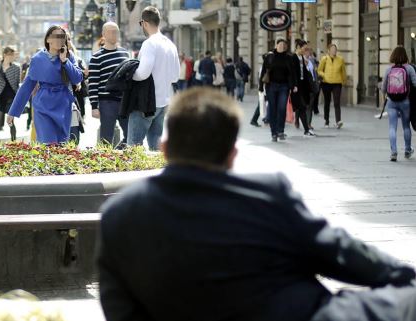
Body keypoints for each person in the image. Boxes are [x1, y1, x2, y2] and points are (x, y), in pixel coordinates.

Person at [98, 87, 416, 321]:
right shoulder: (268, 196)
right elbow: (340, 254)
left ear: (164, 148)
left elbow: (120, 310)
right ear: (233, 153)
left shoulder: (120, 214)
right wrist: (405, 277)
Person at [7, 26, 83, 144]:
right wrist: (13, 112)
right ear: (48, 39)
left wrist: (65, 61)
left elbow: (77, 78)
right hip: (43, 106)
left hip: (63, 105)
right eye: (56, 36)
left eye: (62, 37)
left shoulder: (69, 56)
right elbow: (27, 87)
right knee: (48, 145)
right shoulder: (37, 59)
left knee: (61, 147)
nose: (59, 40)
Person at [128, 6, 180, 151]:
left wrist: (129, 75)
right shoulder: (170, 44)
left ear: (144, 23)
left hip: (146, 101)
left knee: (134, 145)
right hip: (163, 101)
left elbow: (143, 73)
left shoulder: (150, 43)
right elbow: (175, 76)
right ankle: (157, 172)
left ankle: (136, 174)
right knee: (156, 146)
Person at [89, 22, 130, 147]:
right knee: (106, 138)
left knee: (131, 135)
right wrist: (94, 106)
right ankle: (105, 163)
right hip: (107, 102)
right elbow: (93, 83)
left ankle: (119, 154)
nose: (114, 34)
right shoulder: (96, 57)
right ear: (104, 35)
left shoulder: (125, 54)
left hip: (125, 101)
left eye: (116, 31)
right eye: (111, 31)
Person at [382, 46, 416, 161]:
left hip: (391, 102)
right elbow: (415, 83)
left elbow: (383, 87)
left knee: (392, 127)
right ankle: (407, 150)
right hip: (405, 101)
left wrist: (385, 95)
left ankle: (394, 152)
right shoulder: (409, 69)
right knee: (406, 126)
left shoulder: (389, 70)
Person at [259, 39, 296, 142]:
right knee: (273, 109)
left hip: (284, 86)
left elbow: (292, 73)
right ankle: (273, 133)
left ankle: (280, 131)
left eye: (283, 45)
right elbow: (263, 71)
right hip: (271, 86)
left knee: (282, 108)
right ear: (276, 46)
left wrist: (294, 85)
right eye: (280, 45)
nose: (281, 46)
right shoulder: (270, 57)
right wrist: (261, 86)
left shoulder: (288, 58)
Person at [0, 47, 20, 141]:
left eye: (13, 55)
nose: (12, 57)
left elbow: (17, 84)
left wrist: (19, 100)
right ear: (5, 54)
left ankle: (14, 143)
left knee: (10, 122)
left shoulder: (16, 68)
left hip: (11, 98)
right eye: (11, 55)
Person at [318, 43, 347, 128]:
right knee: (327, 102)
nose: (334, 51)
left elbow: (343, 71)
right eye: (332, 49)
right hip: (326, 83)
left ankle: (338, 121)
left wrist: (344, 81)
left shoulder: (340, 59)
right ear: (329, 50)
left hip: (337, 83)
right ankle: (326, 120)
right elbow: (319, 70)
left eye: (335, 49)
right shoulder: (324, 59)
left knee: (337, 102)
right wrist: (324, 75)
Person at [291, 39, 315, 137]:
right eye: (304, 49)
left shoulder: (301, 57)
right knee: (301, 107)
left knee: (302, 108)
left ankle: (306, 129)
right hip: (296, 87)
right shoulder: (293, 58)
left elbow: (304, 73)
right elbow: (292, 73)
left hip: (302, 86)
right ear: (298, 48)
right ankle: (306, 129)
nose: (305, 51)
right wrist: (293, 85)